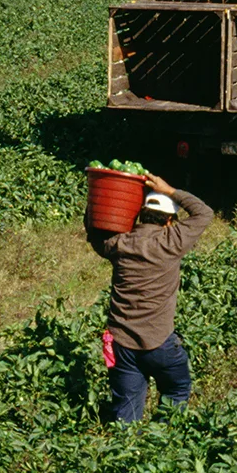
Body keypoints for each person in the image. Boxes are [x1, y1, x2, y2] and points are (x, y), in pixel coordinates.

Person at [86, 174, 213, 422]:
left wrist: (96, 200)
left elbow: (94, 233)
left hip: (121, 344)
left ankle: (125, 452)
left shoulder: (120, 244)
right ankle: (161, 439)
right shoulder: (171, 242)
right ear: (169, 221)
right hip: (159, 343)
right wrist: (170, 190)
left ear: (141, 216)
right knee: (176, 389)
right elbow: (204, 213)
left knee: (126, 413)